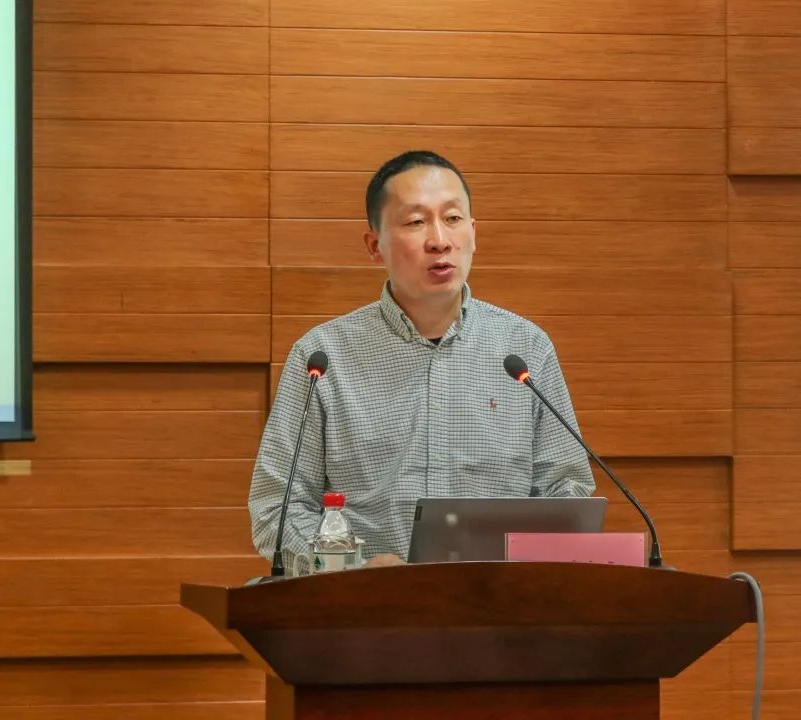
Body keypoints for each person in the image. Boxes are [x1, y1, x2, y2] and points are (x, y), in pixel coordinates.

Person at [248, 150, 595, 571]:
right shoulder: (323, 357)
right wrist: (355, 570)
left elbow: (566, 491)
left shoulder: (525, 350)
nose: (439, 240)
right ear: (375, 246)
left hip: (500, 603)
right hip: (368, 604)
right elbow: (277, 511)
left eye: (453, 218)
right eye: (415, 222)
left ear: (473, 233)